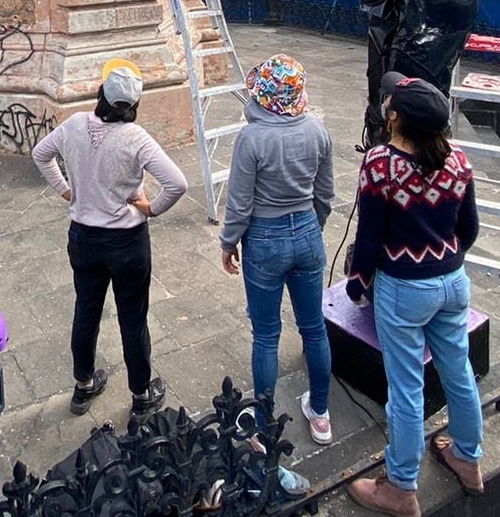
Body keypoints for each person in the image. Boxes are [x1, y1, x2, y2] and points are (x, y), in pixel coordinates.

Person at [345, 72, 484, 517]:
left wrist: (357, 283)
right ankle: (467, 457)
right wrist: (443, 255)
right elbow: (470, 230)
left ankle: (401, 488)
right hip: (452, 280)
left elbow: (368, 239)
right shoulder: (458, 160)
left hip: (404, 288)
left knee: (406, 388)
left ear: (396, 117)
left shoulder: (380, 164)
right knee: (458, 371)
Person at [31, 58, 187, 418]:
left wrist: (66, 190)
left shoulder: (73, 125)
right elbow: (177, 183)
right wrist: (151, 208)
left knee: (86, 311)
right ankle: (141, 393)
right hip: (126, 241)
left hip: (84, 237)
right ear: (134, 105)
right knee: (133, 317)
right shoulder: (135, 137)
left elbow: (41, 154)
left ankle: (83, 386)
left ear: (100, 94)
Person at [219, 54, 336, 447]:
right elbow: (326, 193)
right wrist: (311, 228)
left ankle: (264, 419)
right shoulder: (317, 131)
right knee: (314, 328)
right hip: (306, 231)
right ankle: (320, 412)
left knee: (266, 335)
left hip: (264, 239)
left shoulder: (251, 139)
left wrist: (229, 241)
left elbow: (240, 201)